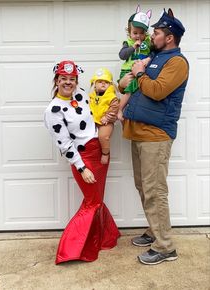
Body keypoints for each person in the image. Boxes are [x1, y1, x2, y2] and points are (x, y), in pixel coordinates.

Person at [119, 8, 189, 265]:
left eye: (157, 32)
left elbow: (157, 91)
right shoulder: (152, 57)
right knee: (144, 187)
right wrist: (126, 81)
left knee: (155, 191)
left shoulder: (176, 62)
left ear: (169, 37)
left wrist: (138, 73)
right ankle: (154, 231)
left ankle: (166, 246)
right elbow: (130, 85)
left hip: (156, 135)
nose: (152, 36)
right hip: (137, 131)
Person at [44, 60, 120, 264]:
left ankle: (104, 238)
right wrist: (82, 167)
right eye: (64, 79)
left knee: (97, 198)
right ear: (56, 81)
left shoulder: (82, 93)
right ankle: (70, 250)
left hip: (100, 152)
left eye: (72, 79)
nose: (68, 83)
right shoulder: (54, 110)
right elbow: (65, 143)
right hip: (83, 158)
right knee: (92, 202)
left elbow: (100, 110)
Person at [117, 5, 152, 121]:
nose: (138, 36)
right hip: (128, 71)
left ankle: (127, 113)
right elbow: (122, 55)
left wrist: (149, 58)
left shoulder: (148, 43)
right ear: (129, 32)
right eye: (135, 33)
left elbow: (154, 52)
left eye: (141, 33)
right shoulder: (128, 43)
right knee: (129, 92)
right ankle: (119, 110)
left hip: (139, 71)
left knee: (136, 94)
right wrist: (132, 47)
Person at [89, 68, 119, 164]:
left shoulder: (111, 97)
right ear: (95, 83)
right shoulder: (91, 96)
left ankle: (105, 153)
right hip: (93, 121)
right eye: (100, 82)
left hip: (105, 122)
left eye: (106, 82)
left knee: (103, 136)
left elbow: (114, 108)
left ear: (110, 84)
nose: (103, 84)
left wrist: (107, 117)